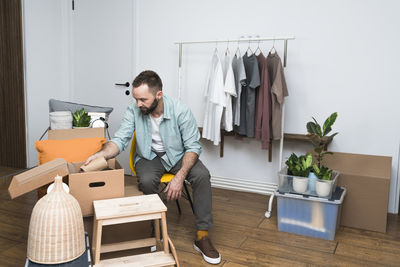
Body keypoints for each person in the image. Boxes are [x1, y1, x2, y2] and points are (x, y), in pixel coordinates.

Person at [85, 70, 221, 264]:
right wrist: (101, 154)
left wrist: (179, 177)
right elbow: (120, 139)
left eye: (143, 99)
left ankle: (202, 236)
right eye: (136, 99)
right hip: (148, 156)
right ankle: (153, 232)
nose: (138, 104)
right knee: (147, 181)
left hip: (178, 156)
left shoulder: (180, 110)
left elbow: (193, 147)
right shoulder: (134, 110)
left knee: (202, 175)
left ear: (159, 95)